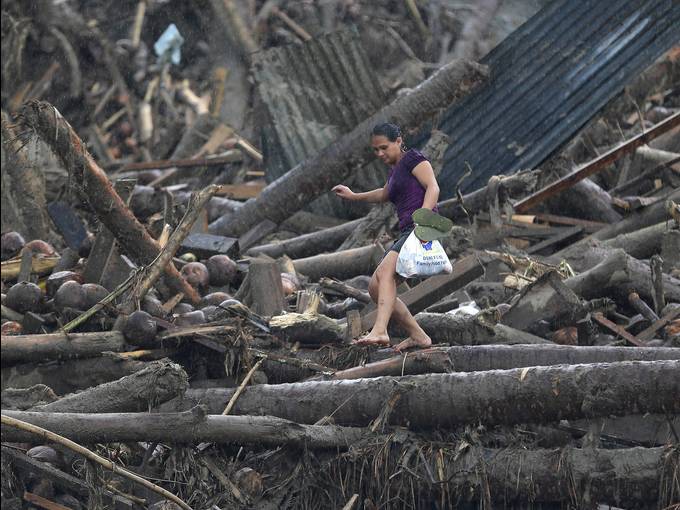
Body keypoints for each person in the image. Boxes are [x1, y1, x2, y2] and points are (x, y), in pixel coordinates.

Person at [332, 122, 439, 351]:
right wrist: (353, 196)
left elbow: (433, 187)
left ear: (399, 141)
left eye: (384, 147)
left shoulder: (413, 159)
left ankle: (380, 331)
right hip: (408, 230)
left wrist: (424, 216)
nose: (380, 154)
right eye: (376, 150)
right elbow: (384, 194)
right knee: (374, 288)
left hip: (421, 227)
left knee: (384, 273)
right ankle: (418, 335)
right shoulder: (395, 170)